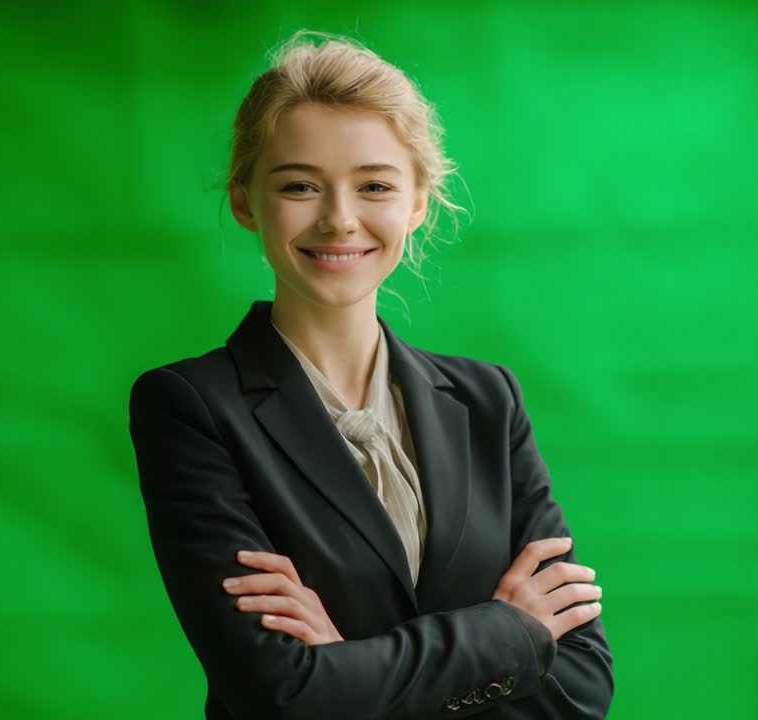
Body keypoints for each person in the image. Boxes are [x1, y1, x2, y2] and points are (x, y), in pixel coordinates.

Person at [128, 29, 613, 719]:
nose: (339, 219)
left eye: (375, 185)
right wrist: (510, 632)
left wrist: (347, 665)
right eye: (299, 185)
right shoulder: (191, 408)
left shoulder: (487, 400)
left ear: (416, 202)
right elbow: (281, 695)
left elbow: (582, 686)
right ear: (244, 201)